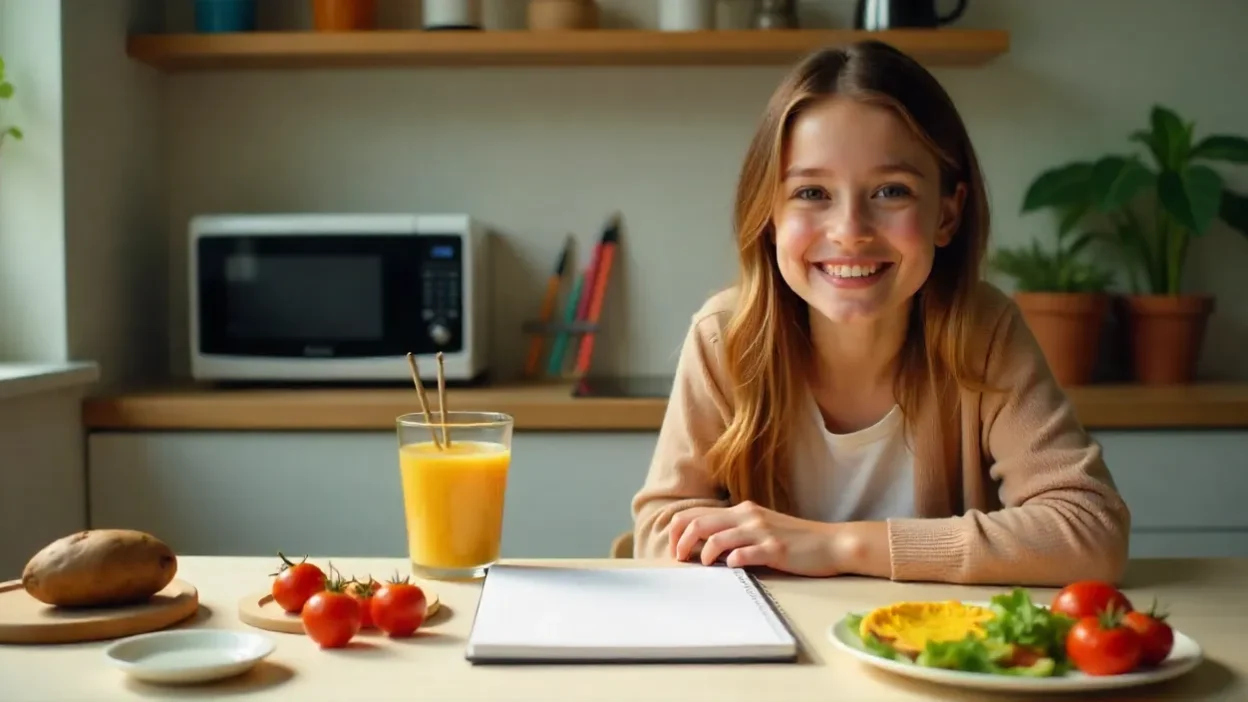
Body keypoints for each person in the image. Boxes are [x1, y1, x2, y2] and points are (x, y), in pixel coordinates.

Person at [629, 40, 1131, 587]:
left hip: (931, 652)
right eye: (812, 192)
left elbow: (1089, 530)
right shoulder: (725, 337)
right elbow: (658, 535)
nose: (849, 230)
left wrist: (839, 545)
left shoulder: (983, 332)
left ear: (947, 212)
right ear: (768, 215)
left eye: (891, 191)